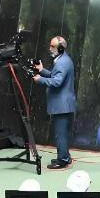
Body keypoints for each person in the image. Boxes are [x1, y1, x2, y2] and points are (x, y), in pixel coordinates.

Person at [32, 35, 76, 169]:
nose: (50, 48)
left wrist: (40, 79)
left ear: (60, 48)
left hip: (61, 106)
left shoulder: (62, 62)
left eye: (53, 46)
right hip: (63, 105)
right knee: (62, 133)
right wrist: (42, 70)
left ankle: (62, 160)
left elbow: (57, 82)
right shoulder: (63, 60)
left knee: (60, 134)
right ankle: (65, 156)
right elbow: (54, 75)